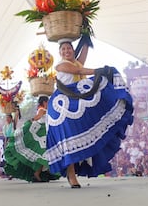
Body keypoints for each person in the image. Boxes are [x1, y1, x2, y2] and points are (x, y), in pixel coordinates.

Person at [45, 39, 134, 188]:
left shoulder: (77, 62)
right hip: (63, 103)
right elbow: (80, 71)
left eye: (69, 48)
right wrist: (99, 71)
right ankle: (71, 172)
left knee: (91, 120)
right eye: (63, 49)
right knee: (68, 137)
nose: (67, 51)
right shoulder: (61, 65)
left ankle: (82, 161)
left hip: (78, 98)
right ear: (60, 53)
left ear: (73, 50)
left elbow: (83, 56)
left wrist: (86, 36)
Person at [3, 96, 60, 182]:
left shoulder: (43, 110)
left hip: (43, 136)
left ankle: (40, 173)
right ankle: (38, 173)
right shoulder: (42, 110)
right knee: (43, 155)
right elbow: (38, 117)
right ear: (44, 102)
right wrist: (31, 120)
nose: (49, 104)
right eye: (48, 102)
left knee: (42, 155)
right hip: (40, 137)